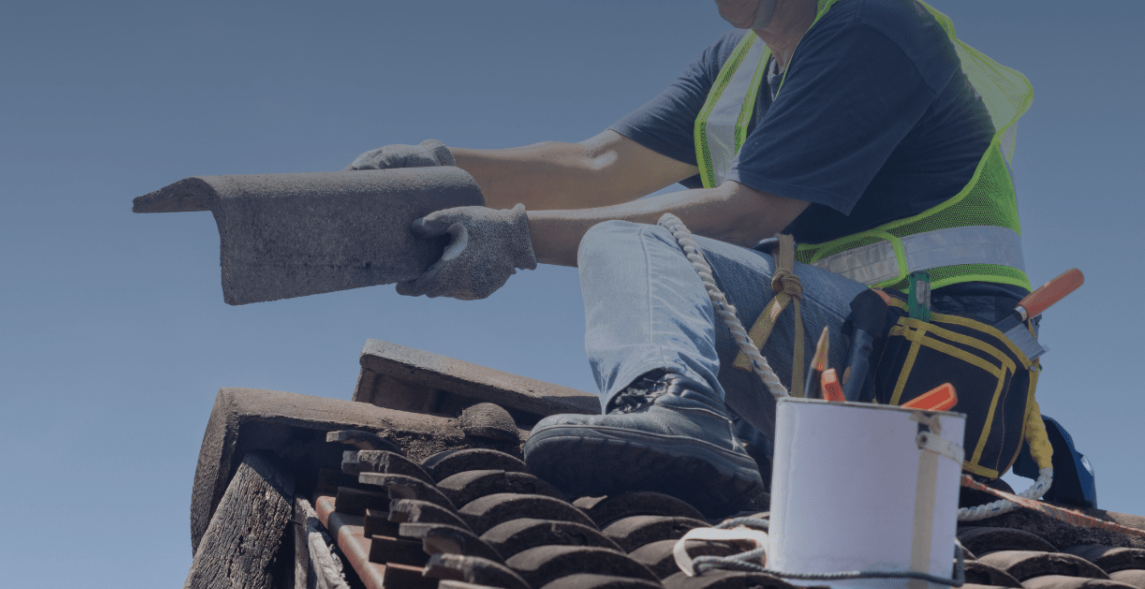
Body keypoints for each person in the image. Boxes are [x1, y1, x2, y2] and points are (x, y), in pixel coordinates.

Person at [346, 0, 1034, 518]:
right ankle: (691, 425)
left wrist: (512, 239)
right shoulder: (735, 69)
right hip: (837, 355)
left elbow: (745, 213)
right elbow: (597, 165)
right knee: (636, 243)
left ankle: (678, 407)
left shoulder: (873, 27)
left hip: (925, 371)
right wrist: (445, 168)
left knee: (635, 241)